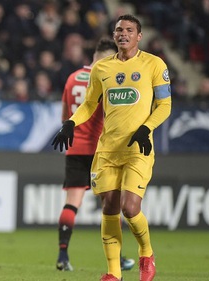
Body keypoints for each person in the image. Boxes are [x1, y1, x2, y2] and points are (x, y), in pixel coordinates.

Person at [52, 14, 171, 281]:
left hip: (137, 149)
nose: (123, 34)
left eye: (129, 30)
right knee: (109, 208)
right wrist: (71, 123)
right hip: (107, 150)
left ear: (139, 36)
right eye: (119, 30)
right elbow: (89, 105)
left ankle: (146, 254)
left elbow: (165, 105)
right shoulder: (101, 68)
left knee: (130, 208)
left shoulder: (154, 64)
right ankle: (113, 274)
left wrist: (146, 127)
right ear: (114, 35)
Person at [55, 38, 135, 273]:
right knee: (110, 205)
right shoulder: (106, 77)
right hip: (101, 149)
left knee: (72, 203)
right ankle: (117, 259)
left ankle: (62, 256)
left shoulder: (72, 78)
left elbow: (64, 115)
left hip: (74, 148)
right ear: (106, 57)